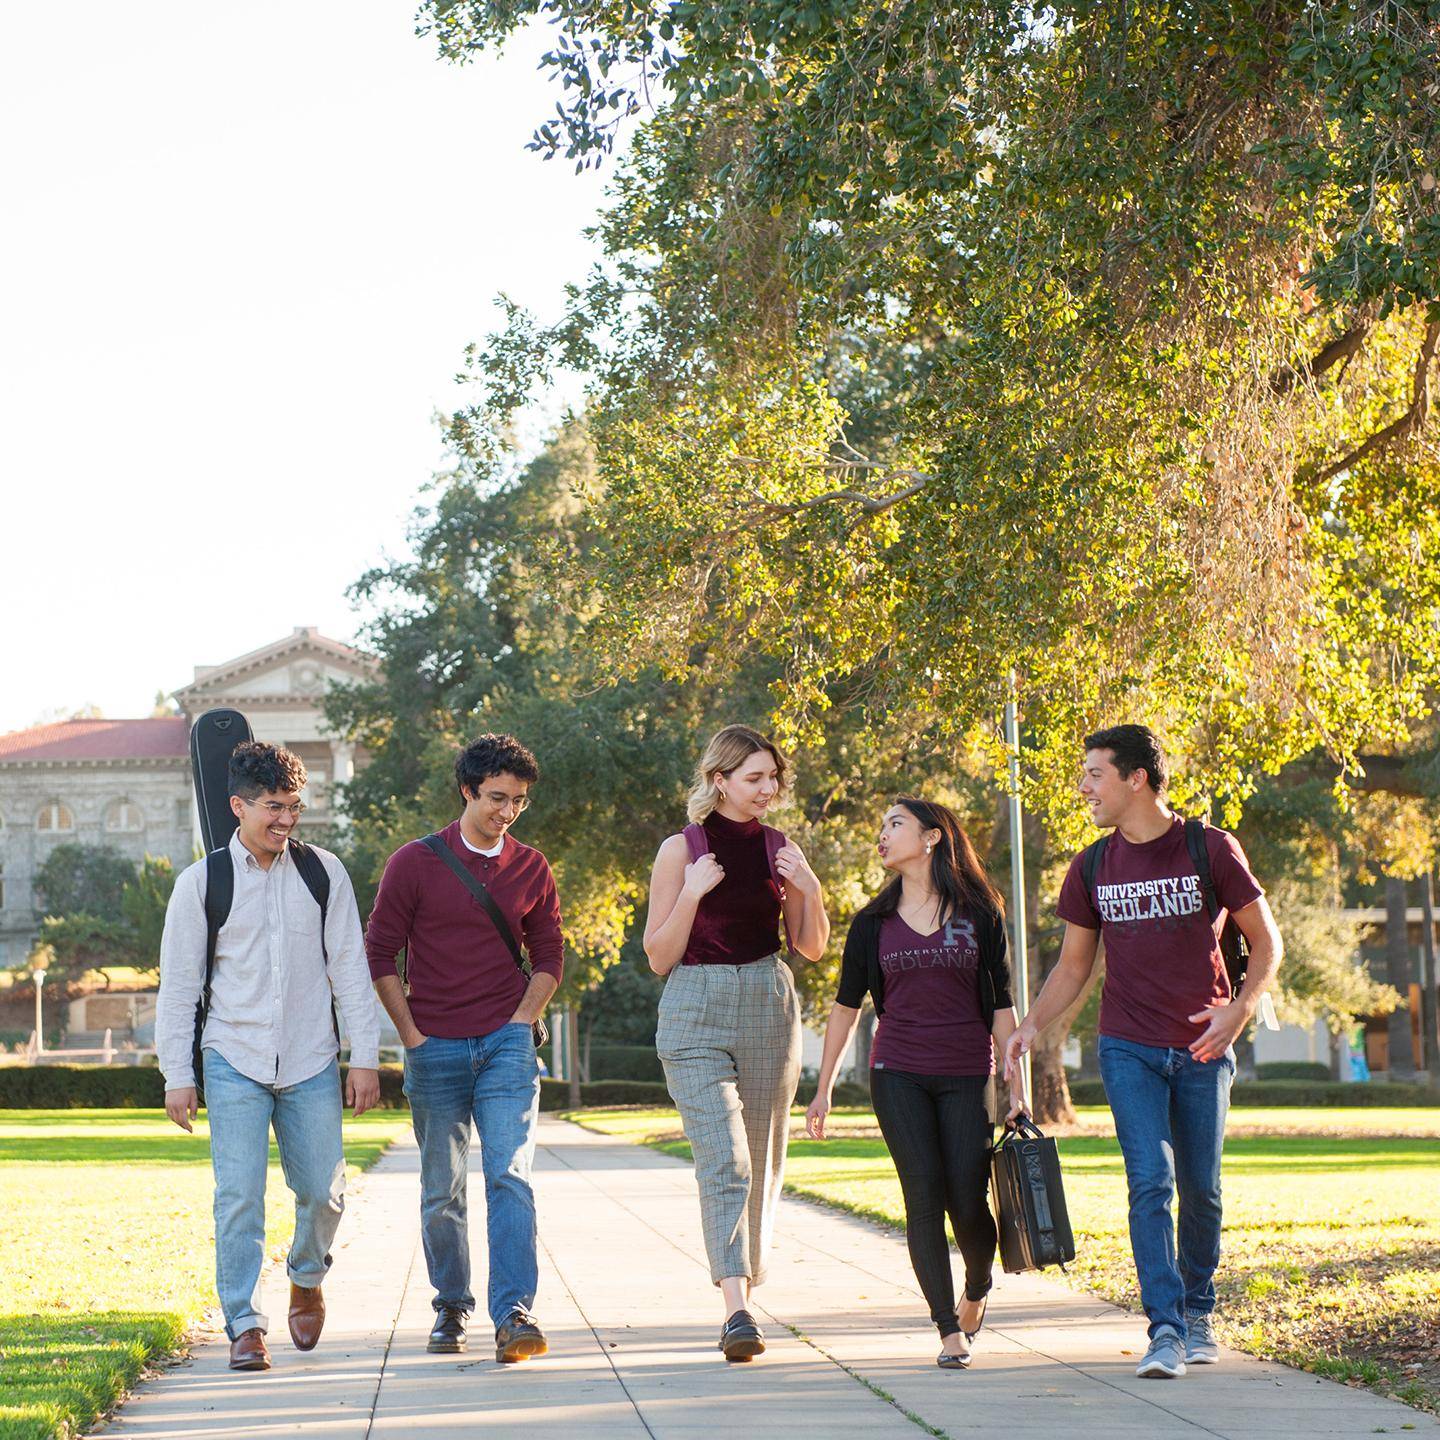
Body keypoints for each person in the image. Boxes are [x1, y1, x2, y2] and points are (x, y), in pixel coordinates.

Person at [1005, 725, 1282, 1380]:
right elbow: (1074, 967)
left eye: (1094, 773)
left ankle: (1199, 1308)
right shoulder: (1093, 865)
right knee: (1149, 1182)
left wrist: (1239, 1008)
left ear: (1136, 778)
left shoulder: (1208, 848)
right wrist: (1031, 1025)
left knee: (1202, 1190)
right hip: (1126, 1044)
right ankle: (1164, 1328)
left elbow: (1266, 943)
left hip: (1203, 1046)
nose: (1084, 787)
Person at [157, 741, 382, 1373]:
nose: (285, 820)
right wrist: (179, 1073)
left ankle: (306, 1275)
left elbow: (350, 970)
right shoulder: (201, 884)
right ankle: (245, 1323)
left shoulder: (323, 873)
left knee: (324, 1191)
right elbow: (179, 985)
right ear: (237, 806)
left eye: (294, 807)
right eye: (272, 808)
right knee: (238, 1197)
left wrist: (363, 1056)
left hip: (311, 1057)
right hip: (233, 1056)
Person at [806, 797, 1027, 1369]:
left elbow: (1002, 1007)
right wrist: (824, 1086)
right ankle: (948, 1329)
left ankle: (977, 1286)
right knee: (923, 1198)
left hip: (964, 1072)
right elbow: (844, 1007)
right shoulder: (872, 923)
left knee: (968, 1201)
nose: (882, 835)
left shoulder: (980, 913)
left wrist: (1016, 1087)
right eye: (880, 826)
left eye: (894, 824)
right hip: (897, 1072)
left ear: (932, 837)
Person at [365, 733, 563, 1363]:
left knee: (510, 1174)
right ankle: (451, 1307)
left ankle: (514, 1312)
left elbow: (551, 956)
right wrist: (411, 1036)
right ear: (467, 791)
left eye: (519, 801)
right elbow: (379, 953)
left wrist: (519, 1021)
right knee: (441, 1187)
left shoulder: (531, 866)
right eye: (497, 797)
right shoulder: (414, 862)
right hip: (435, 1047)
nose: (507, 811)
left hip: (505, 1045)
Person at [644, 724, 830, 1361]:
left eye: (773, 778)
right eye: (754, 778)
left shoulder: (783, 848)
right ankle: (737, 1309)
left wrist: (809, 886)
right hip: (694, 1004)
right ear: (719, 780)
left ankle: (744, 1287)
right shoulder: (681, 849)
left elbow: (810, 946)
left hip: (768, 1003)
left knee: (762, 1161)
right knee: (726, 1158)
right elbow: (658, 956)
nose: (768, 790)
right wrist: (694, 893)